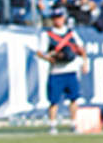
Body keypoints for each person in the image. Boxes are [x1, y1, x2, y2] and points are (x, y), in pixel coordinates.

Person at [35, 7, 88, 135]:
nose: (58, 21)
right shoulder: (47, 35)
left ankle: (74, 123)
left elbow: (81, 49)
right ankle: (52, 125)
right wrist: (51, 58)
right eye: (55, 18)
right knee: (54, 101)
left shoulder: (71, 33)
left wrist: (85, 63)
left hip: (70, 70)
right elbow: (40, 52)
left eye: (60, 18)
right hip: (56, 71)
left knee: (74, 98)